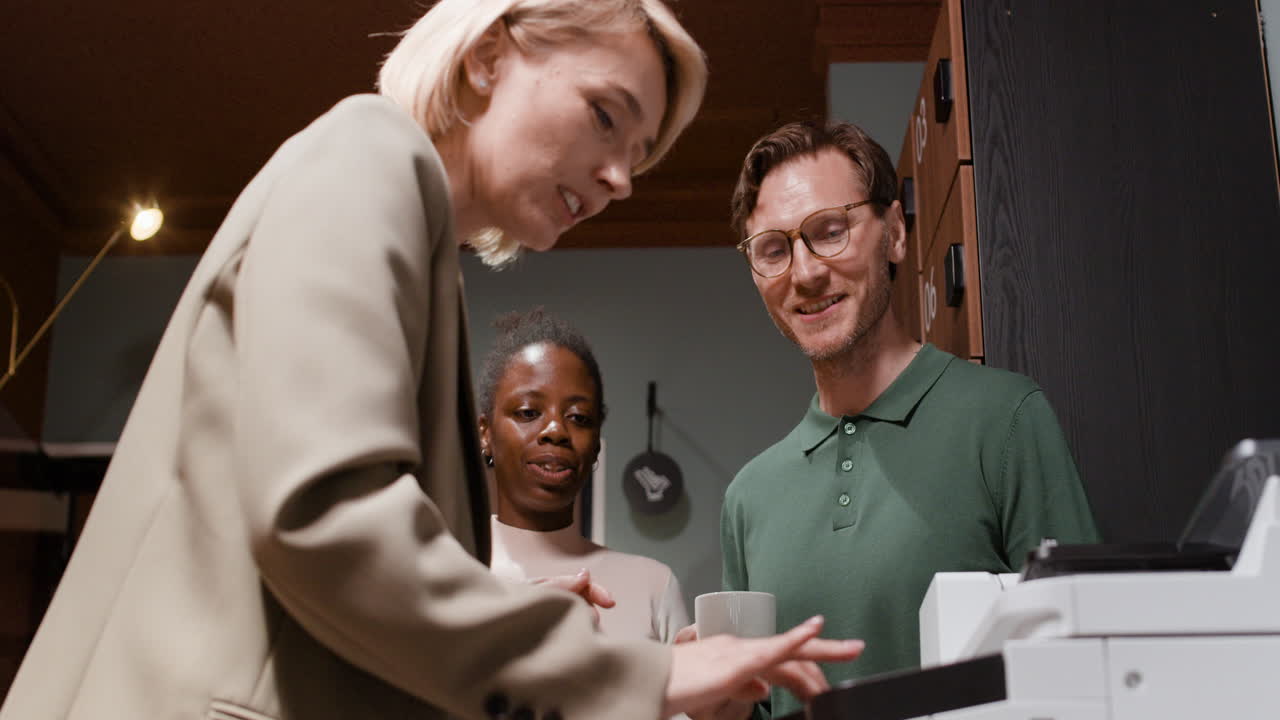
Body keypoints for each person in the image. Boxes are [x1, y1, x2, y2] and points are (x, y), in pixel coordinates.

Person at [0, 4, 865, 720]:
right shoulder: (369, 151)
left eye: (638, 158)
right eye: (607, 116)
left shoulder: (424, 254)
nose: (620, 179)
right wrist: (644, 675)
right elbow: (327, 520)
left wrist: (514, 626)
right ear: (489, 54)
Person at [718, 120, 1100, 718]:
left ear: (894, 233)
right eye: (774, 248)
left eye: (829, 231)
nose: (805, 271)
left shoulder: (1006, 421)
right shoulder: (748, 500)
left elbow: (1084, 667)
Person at [478, 309, 690, 643]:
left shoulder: (653, 584)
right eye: (529, 412)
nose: (555, 430)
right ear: (485, 432)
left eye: (578, 418)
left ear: (595, 445)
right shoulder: (443, 575)